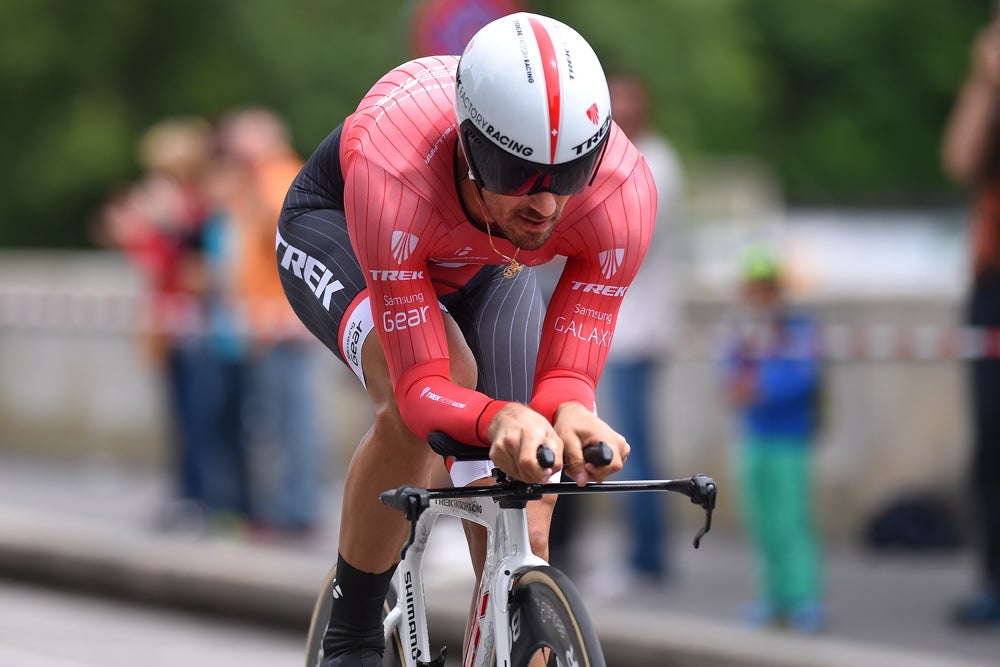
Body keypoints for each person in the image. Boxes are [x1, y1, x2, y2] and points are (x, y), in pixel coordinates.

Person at [275, 12, 655, 665]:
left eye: (567, 176)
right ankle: (353, 631)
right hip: (344, 229)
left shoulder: (619, 191)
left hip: (484, 261)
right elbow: (426, 387)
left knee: (531, 481)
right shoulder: (391, 164)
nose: (544, 205)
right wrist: (495, 414)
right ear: (469, 147)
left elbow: (567, 381)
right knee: (426, 387)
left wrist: (567, 412)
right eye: (518, 173)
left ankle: (509, 634)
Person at [214, 108, 323, 537]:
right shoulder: (258, 179)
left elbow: (286, 242)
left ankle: (295, 509)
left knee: (290, 421)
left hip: (281, 325)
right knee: (277, 421)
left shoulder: (277, 178)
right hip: (267, 324)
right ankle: (286, 505)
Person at [595, 71, 686, 587]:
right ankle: (644, 553)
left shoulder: (655, 165)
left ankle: (645, 557)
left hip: (637, 330)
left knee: (631, 448)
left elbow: (623, 237)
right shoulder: (642, 161)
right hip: (626, 328)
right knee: (633, 443)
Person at [718, 248, 825, 633]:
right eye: (755, 288)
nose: (760, 295)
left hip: (789, 438)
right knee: (761, 521)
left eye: (767, 288)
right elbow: (728, 376)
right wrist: (740, 386)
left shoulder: (797, 327)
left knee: (791, 519)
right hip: (754, 436)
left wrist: (758, 387)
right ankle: (773, 596)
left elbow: (805, 374)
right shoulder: (742, 328)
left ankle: (802, 597)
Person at [941, 8, 1000, 628]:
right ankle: (993, 575)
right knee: (991, 440)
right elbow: (960, 158)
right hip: (994, 281)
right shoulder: (991, 81)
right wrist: (983, 80)